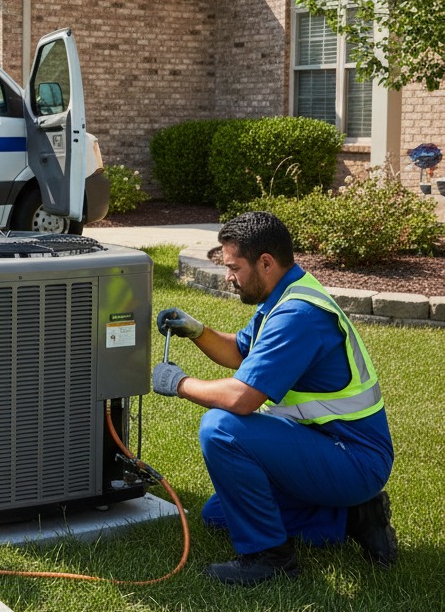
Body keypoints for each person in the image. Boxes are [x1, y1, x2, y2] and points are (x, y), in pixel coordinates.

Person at [152, 210, 396, 586]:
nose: (229, 277)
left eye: (234, 267)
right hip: (327, 445)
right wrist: (197, 331)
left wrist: (179, 383)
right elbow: (240, 352)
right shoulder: (285, 293)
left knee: (222, 429)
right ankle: (355, 516)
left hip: (355, 459)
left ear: (265, 262)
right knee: (218, 514)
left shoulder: (297, 316)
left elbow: (241, 399)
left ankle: (270, 559)